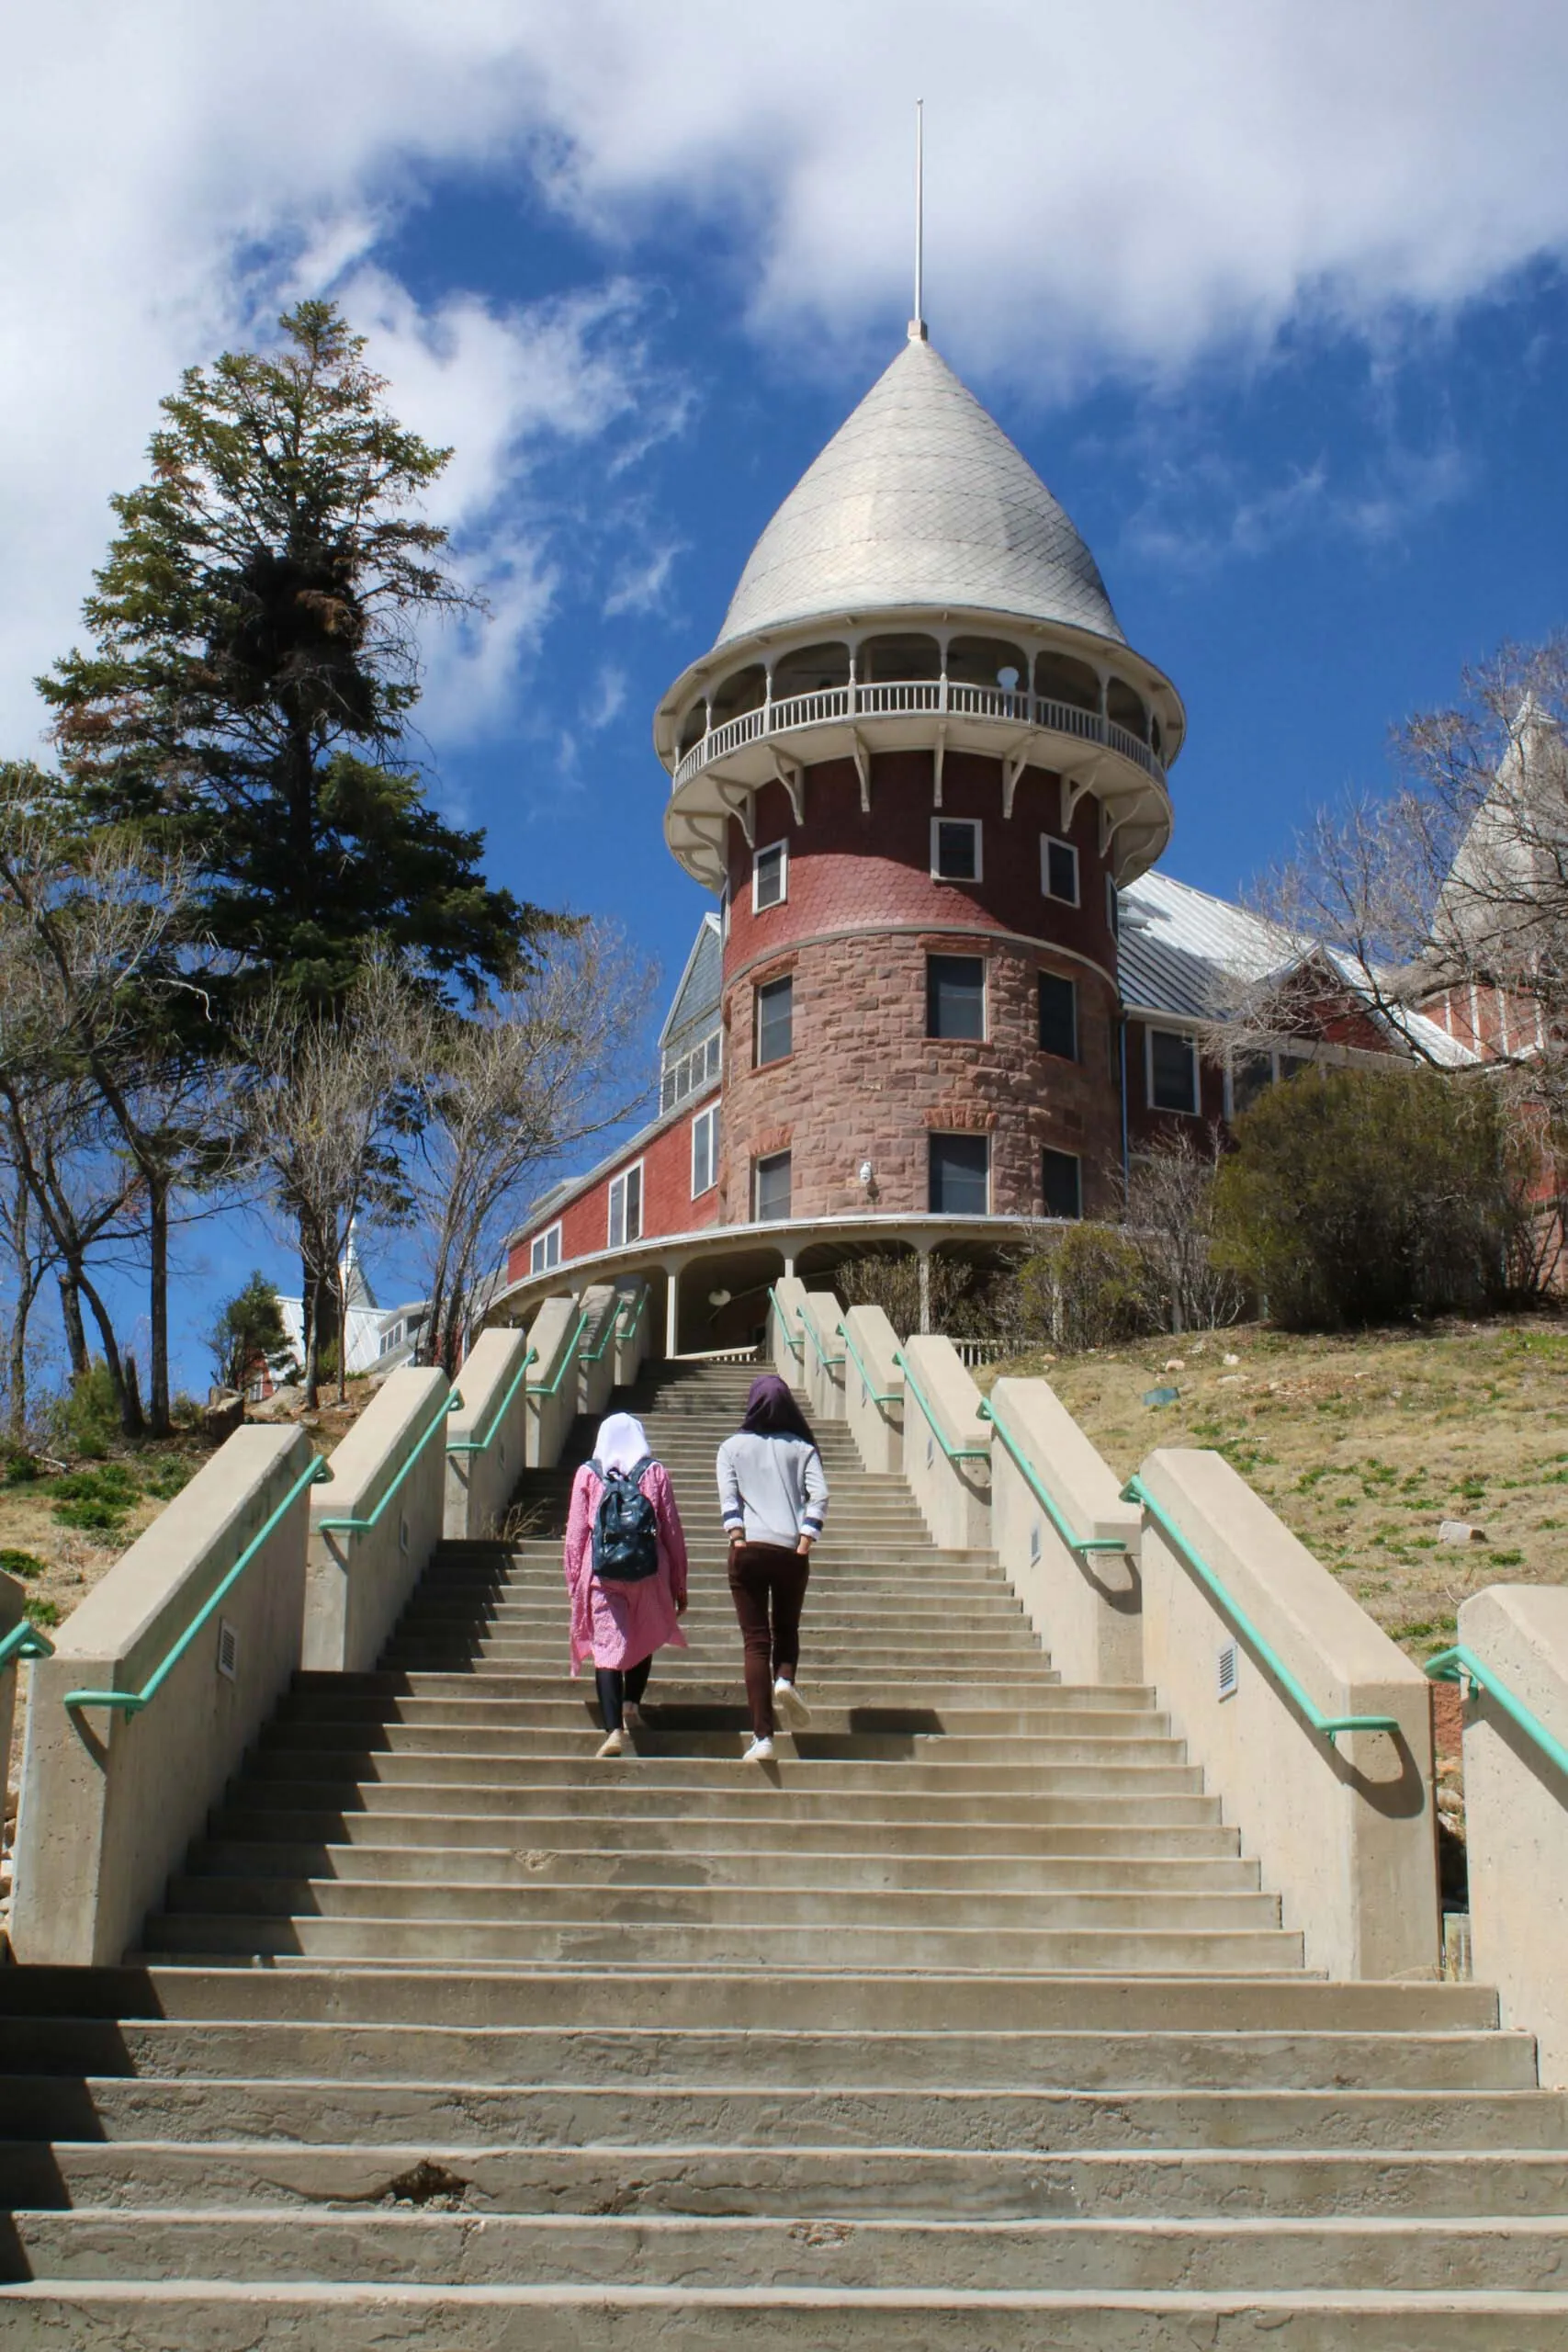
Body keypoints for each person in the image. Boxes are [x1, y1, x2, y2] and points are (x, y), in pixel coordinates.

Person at [716, 1373, 829, 1763]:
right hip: (789, 1550)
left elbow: (729, 1498)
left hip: (748, 1549)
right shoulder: (803, 1448)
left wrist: (737, 1536)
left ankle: (762, 1737)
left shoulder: (731, 1447)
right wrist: (805, 1538)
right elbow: (820, 1494)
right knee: (786, 1627)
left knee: (755, 1643)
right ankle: (785, 1679)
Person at [562, 1411, 688, 1758]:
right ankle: (631, 1704)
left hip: (601, 1573)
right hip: (649, 1571)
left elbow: (575, 1533)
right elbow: (671, 1529)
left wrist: (574, 1579)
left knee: (606, 1647)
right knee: (643, 1634)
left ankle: (613, 1729)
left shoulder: (588, 1474)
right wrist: (679, 1580)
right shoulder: (655, 1473)